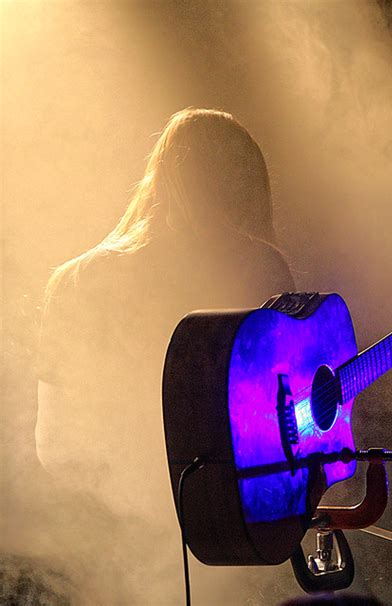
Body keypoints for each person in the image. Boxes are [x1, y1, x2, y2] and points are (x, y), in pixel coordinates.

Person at [35, 108, 295, 602]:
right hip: (237, 540)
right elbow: (284, 416)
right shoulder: (260, 266)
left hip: (109, 554)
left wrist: (118, 523)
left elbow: (53, 443)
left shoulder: (74, 280)